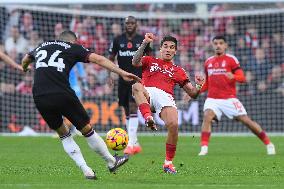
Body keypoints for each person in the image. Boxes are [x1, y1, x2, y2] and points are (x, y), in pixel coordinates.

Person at [21, 30, 140, 179]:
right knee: (87, 130)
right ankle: (111, 162)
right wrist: (121, 72)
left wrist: (25, 68)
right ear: (74, 41)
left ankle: (86, 170)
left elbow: (26, 59)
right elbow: (99, 59)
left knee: (63, 134)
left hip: (39, 95)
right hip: (61, 92)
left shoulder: (41, 46)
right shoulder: (72, 47)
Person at [132, 33, 205, 174]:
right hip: (148, 91)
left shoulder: (179, 71)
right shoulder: (149, 60)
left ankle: (168, 163)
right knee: (136, 86)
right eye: (165, 46)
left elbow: (193, 94)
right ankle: (148, 117)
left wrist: (199, 86)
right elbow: (135, 62)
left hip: (166, 97)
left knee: (174, 125)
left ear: (175, 51)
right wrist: (144, 43)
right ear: (160, 48)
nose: (168, 49)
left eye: (172, 47)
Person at [197, 35, 276, 156]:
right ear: (213, 45)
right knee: (207, 116)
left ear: (225, 45)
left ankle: (268, 143)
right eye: (216, 43)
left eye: (221, 43)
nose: (218, 45)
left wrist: (233, 76)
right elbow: (207, 83)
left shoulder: (231, 60)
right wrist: (196, 91)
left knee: (247, 121)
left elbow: (243, 78)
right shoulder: (208, 62)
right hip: (212, 99)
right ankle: (204, 148)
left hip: (229, 99)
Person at [109, 16, 151, 155]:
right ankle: (135, 142)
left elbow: (150, 60)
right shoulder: (117, 40)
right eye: (127, 23)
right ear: (124, 25)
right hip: (122, 79)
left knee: (133, 108)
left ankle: (130, 143)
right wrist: (111, 75)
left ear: (136, 24)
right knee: (126, 110)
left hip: (137, 80)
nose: (130, 25)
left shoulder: (142, 41)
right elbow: (111, 58)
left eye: (132, 23)